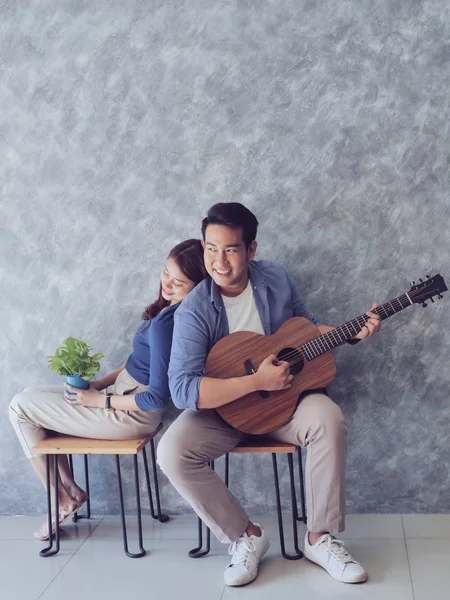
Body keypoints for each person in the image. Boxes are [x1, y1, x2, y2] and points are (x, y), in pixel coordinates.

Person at [157, 203, 381, 586]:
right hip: (223, 412)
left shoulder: (276, 278)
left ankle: (320, 537)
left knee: (330, 420)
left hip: (287, 401)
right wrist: (254, 383)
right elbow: (182, 388)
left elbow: (304, 329)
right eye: (211, 248)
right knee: (171, 452)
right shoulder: (194, 309)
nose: (219, 261)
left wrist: (351, 332)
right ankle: (246, 537)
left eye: (230, 249)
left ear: (251, 249)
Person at [9, 239, 206, 541]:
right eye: (166, 272)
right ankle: (70, 491)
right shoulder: (167, 310)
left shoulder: (171, 323)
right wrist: (99, 384)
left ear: (197, 286)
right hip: (119, 394)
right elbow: (135, 362)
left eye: (179, 281)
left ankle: (61, 498)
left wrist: (100, 400)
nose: (167, 283)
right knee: (33, 394)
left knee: (20, 406)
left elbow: (157, 396)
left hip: (133, 412)